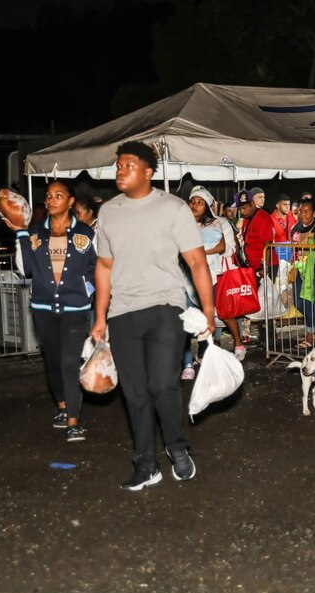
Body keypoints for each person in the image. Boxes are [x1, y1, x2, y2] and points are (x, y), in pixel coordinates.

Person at [91, 141, 215, 491]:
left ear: (148, 172)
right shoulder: (109, 212)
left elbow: (196, 261)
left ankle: (177, 448)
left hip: (165, 306)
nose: (120, 171)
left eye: (128, 165)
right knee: (134, 392)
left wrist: (208, 308)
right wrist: (100, 316)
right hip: (122, 312)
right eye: (118, 165)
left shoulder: (173, 208)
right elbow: (104, 266)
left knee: (162, 384)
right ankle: (145, 464)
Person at [5, 180, 97, 442]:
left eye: (58, 195)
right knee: (54, 362)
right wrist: (20, 234)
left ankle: (73, 421)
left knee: (70, 362)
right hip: (43, 307)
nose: (52, 199)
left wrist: (87, 292)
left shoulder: (86, 233)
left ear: (70, 201)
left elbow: (97, 268)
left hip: (75, 308)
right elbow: (26, 269)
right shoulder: (35, 232)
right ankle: (62, 406)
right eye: (48, 195)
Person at [188, 186, 245, 361]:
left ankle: (238, 343)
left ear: (208, 205)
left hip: (218, 274)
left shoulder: (219, 223)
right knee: (200, 314)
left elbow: (228, 248)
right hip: (191, 275)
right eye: (192, 201)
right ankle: (204, 351)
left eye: (200, 202)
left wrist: (202, 251)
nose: (195, 205)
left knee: (225, 312)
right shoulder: (185, 224)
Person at [289, 198, 315, 347]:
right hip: (299, 268)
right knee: (298, 302)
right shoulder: (296, 227)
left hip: (314, 270)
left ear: (314, 212)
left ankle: (311, 333)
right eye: (301, 211)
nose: (303, 214)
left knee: (308, 300)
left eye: (306, 211)